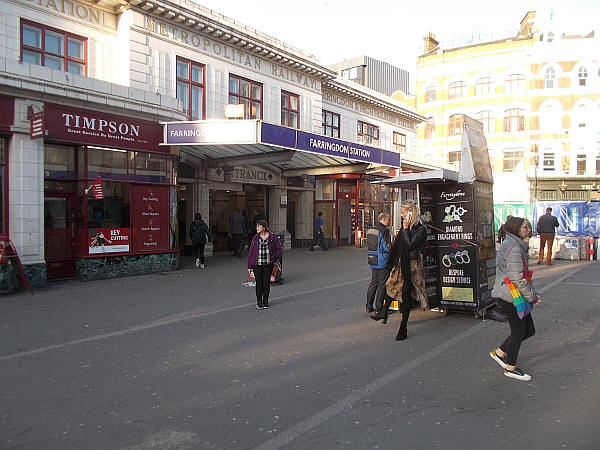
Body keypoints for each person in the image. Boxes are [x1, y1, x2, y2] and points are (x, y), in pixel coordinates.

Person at [490, 216, 541, 381]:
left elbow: (523, 276)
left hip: (512, 294)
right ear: (515, 229)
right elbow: (518, 278)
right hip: (510, 296)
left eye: (528, 227)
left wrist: (533, 294)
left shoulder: (513, 244)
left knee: (528, 330)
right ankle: (510, 367)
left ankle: (500, 353)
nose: (529, 230)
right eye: (525, 227)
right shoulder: (515, 248)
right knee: (519, 331)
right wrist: (532, 297)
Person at [372, 200, 428, 341]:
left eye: (403, 213)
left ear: (411, 213)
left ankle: (403, 327)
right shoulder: (408, 227)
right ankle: (384, 312)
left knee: (406, 294)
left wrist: (405, 229)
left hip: (413, 265)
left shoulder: (421, 229)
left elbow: (410, 245)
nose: (402, 216)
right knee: (391, 285)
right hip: (401, 263)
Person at [247, 220, 283, 310]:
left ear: (264, 227)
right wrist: (249, 266)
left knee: (266, 283)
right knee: (259, 283)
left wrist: (274, 258)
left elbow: (279, 249)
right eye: (256, 226)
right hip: (257, 264)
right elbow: (251, 252)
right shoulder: (255, 238)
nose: (257, 228)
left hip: (268, 264)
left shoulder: (272, 237)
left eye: (258, 226)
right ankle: (259, 302)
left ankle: (265, 301)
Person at [365, 213, 392, 314]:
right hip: (382, 259)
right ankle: (379, 308)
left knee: (373, 282)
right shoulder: (384, 231)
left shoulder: (370, 230)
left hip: (372, 258)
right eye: (388, 220)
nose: (389, 222)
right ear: (383, 220)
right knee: (382, 284)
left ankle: (368, 306)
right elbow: (387, 246)